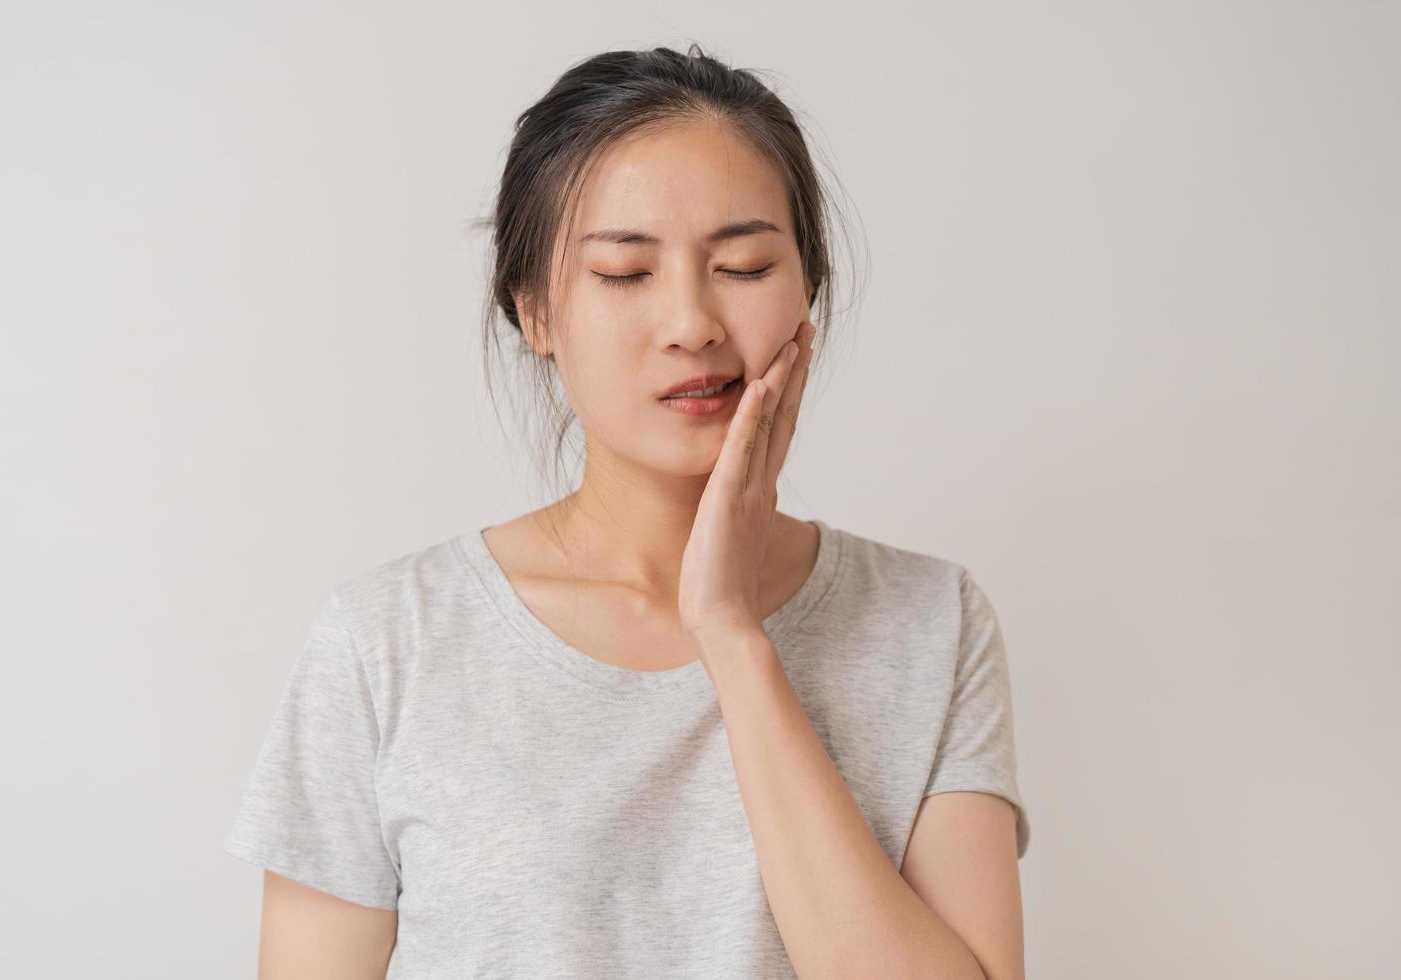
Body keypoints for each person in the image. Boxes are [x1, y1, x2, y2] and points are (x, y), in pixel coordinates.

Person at [224, 43, 1030, 980]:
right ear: (534, 311)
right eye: (623, 273)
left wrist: (731, 634)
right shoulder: (386, 644)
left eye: (743, 263)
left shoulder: (933, 623)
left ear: (806, 288)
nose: (691, 322)